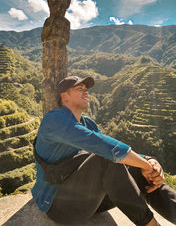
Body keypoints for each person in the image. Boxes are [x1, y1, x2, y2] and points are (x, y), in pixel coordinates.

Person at [32, 75, 176, 226]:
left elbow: (116, 153)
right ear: (64, 96)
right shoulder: (53, 120)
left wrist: (148, 162)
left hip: (90, 200)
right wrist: (145, 164)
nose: (86, 92)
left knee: (143, 174)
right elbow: (107, 149)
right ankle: (150, 224)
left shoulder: (88, 123)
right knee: (106, 158)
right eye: (80, 89)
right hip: (59, 206)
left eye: (86, 89)